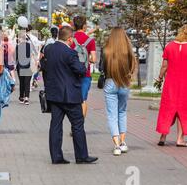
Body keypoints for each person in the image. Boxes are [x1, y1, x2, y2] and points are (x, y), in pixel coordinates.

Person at [44, 26, 98, 165]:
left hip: (54, 94)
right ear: (69, 39)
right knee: (78, 124)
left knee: (55, 125)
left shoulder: (49, 49)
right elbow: (80, 70)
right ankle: (81, 156)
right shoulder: (70, 53)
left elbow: (43, 66)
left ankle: (56, 156)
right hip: (70, 96)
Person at [100, 27, 136, 156]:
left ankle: (116, 145)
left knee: (112, 115)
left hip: (110, 82)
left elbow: (101, 68)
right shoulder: (128, 51)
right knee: (122, 112)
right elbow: (132, 67)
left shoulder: (106, 50)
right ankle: (123, 142)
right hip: (124, 83)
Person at [71, 16, 96, 120]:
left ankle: (74, 125)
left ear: (74, 26)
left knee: (72, 101)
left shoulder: (70, 39)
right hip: (85, 74)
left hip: (71, 74)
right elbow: (94, 59)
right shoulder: (90, 41)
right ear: (84, 26)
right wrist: (87, 59)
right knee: (83, 100)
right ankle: (79, 125)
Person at [16, 30, 34, 105]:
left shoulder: (18, 46)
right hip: (28, 66)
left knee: (22, 82)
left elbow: (16, 57)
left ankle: (21, 97)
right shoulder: (29, 45)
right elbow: (31, 55)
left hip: (20, 66)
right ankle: (26, 98)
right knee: (27, 82)